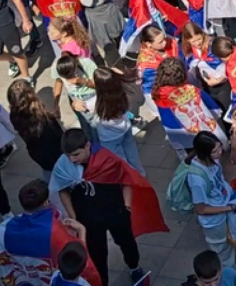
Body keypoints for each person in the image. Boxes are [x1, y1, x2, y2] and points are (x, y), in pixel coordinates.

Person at [52, 129, 150, 286]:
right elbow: (62, 190)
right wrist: (73, 216)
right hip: (88, 218)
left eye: (76, 154)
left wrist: (127, 206)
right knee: (97, 254)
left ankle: (134, 267)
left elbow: (125, 180)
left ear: (87, 146)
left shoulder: (107, 160)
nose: (72, 159)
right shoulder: (63, 165)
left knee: (127, 242)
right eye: (68, 155)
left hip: (115, 211)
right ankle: (102, 281)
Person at [184, 132, 236, 282]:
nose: (220, 152)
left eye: (219, 147)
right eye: (215, 151)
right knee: (222, 252)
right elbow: (201, 209)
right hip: (215, 221)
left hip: (226, 206)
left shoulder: (212, 161)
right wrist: (228, 208)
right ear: (204, 153)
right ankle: (235, 272)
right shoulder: (196, 178)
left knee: (233, 235)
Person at [8, 79, 63, 180]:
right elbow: (58, 135)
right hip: (56, 153)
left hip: (37, 154)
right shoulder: (43, 116)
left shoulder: (14, 116)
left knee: (49, 175)